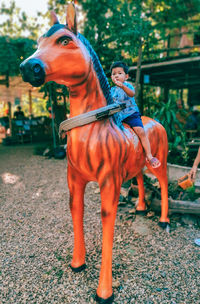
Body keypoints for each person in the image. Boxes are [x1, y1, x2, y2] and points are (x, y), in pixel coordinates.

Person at [110, 61, 160, 168]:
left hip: (131, 114)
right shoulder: (112, 90)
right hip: (118, 117)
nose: (116, 76)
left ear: (126, 76)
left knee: (140, 132)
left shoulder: (128, 86)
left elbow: (132, 94)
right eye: (114, 74)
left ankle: (149, 155)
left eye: (119, 73)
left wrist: (122, 86)